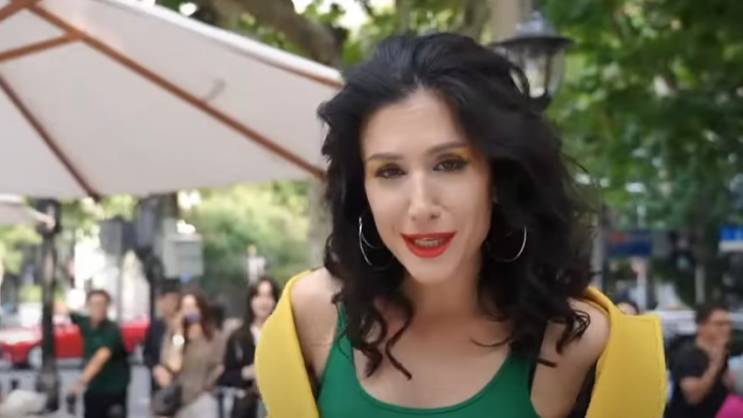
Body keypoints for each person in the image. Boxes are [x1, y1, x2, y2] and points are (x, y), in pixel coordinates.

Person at [255, 33, 667, 418]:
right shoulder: (309, 318)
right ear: (363, 189)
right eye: (390, 171)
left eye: (449, 164)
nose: (421, 206)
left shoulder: (578, 343)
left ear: (498, 179)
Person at [220, 277, 281, 418]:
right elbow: (225, 377)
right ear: (251, 300)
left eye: (268, 296)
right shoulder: (237, 337)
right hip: (247, 408)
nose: (263, 302)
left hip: (277, 403)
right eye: (258, 296)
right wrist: (246, 373)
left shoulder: (283, 334)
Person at [157, 291, 224, 418]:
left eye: (193, 307)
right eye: (185, 307)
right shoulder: (173, 336)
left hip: (203, 398)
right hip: (177, 399)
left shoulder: (213, 336)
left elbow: (219, 366)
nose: (190, 311)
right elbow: (173, 365)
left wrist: (207, 386)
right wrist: (179, 332)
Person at [68, 289, 130, 418]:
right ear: (88, 306)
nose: (99, 308)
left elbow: (100, 359)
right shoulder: (86, 323)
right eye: (95, 304)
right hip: (93, 391)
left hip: (113, 392)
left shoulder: (112, 330)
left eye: (102, 304)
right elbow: (71, 314)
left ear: (108, 306)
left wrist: (80, 383)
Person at [666, 303, 733, 418]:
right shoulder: (688, 355)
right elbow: (692, 397)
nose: (726, 328)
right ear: (701, 326)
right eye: (719, 324)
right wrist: (714, 366)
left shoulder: (721, 353)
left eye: (728, 323)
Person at [144, 284, 181, 392]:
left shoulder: (182, 327)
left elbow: (179, 348)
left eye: (174, 301)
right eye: (167, 301)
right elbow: (147, 353)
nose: (170, 304)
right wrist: (155, 368)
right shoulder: (156, 326)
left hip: (178, 380)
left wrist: (178, 330)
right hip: (158, 380)